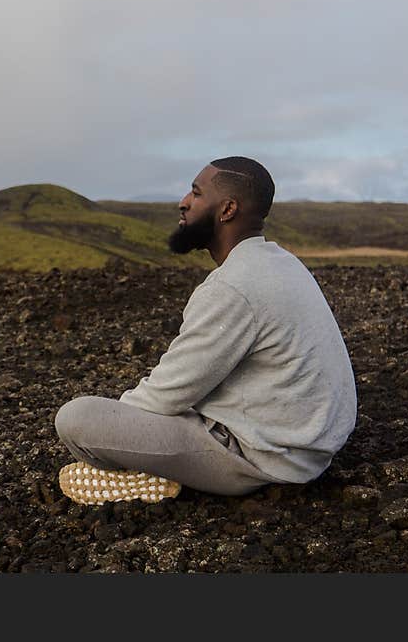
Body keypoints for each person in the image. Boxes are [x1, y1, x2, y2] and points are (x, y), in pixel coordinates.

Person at [54, 156, 357, 505]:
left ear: (226, 209)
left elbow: (165, 396)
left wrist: (119, 427)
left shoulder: (232, 287)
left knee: (76, 419)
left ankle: (146, 478)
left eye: (196, 194)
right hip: (310, 448)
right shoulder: (283, 263)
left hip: (262, 459)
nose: (183, 202)